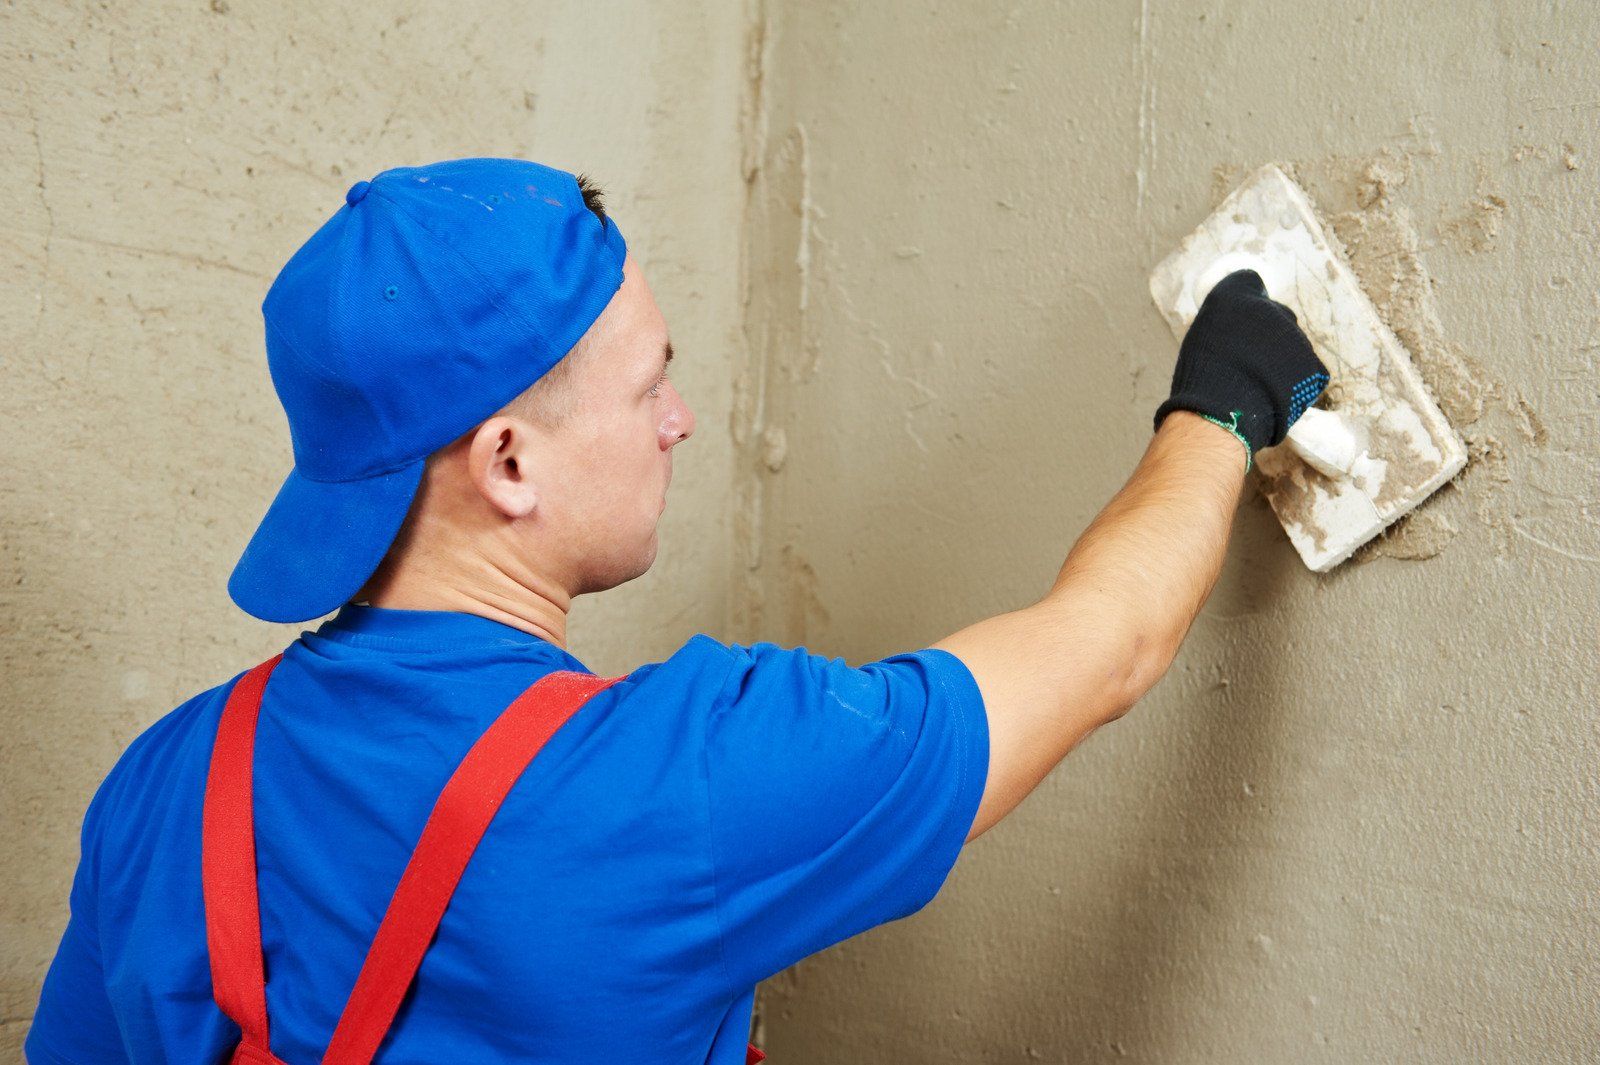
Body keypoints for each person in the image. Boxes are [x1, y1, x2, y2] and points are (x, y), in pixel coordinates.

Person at [25, 156, 1326, 1065]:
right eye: (650, 382)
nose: (679, 419)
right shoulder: (682, 780)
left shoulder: (156, 788)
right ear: (507, 462)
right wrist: (1221, 404)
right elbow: (1106, 645)